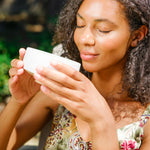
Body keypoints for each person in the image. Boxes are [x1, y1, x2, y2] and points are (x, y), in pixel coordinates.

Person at [0, 0, 150, 149]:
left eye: (103, 29)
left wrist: (101, 121)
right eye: (80, 24)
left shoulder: (146, 120)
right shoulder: (61, 94)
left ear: (137, 36)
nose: (84, 38)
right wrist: (18, 101)